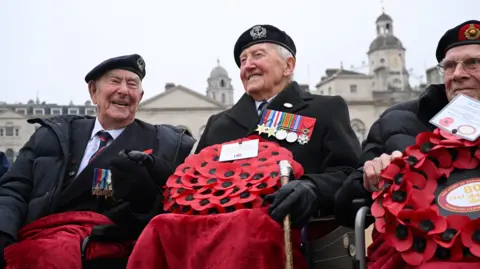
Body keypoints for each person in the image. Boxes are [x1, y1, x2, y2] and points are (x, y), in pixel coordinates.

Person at [126, 24, 361, 269]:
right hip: (212, 225)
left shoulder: (323, 109)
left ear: (288, 66)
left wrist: (312, 187)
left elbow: (348, 171)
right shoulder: (220, 123)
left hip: (288, 226)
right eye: (243, 60)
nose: (247, 65)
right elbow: (191, 178)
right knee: (160, 227)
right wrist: (154, 169)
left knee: (249, 228)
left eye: (258, 55)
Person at [0, 54, 195, 269]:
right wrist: (4, 233)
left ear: (140, 96)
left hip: (112, 254)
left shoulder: (168, 144)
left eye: (132, 84)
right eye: (114, 81)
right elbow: (13, 189)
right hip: (32, 242)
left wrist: (147, 196)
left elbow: (185, 201)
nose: (124, 90)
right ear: (93, 91)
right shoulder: (54, 134)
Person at [334, 20, 480, 269]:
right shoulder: (396, 119)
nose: (457, 74)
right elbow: (347, 206)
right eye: (449, 66)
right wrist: (368, 177)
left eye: (472, 63)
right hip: (417, 252)